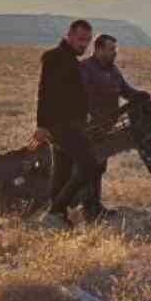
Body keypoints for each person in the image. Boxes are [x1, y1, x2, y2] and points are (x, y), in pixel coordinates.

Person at [35, 19, 104, 228]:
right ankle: (55, 211)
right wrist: (41, 125)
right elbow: (44, 93)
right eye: (80, 39)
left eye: (87, 40)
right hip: (61, 126)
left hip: (72, 125)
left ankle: (57, 216)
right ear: (69, 35)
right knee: (90, 164)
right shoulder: (54, 58)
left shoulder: (71, 60)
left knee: (62, 171)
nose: (84, 44)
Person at [77, 34, 148, 214]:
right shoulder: (85, 68)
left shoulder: (113, 71)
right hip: (87, 129)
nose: (115, 53)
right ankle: (87, 207)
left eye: (115, 49)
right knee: (88, 166)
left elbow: (127, 91)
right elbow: (78, 96)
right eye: (111, 49)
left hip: (105, 128)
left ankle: (94, 205)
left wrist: (144, 97)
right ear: (98, 49)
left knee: (99, 166)